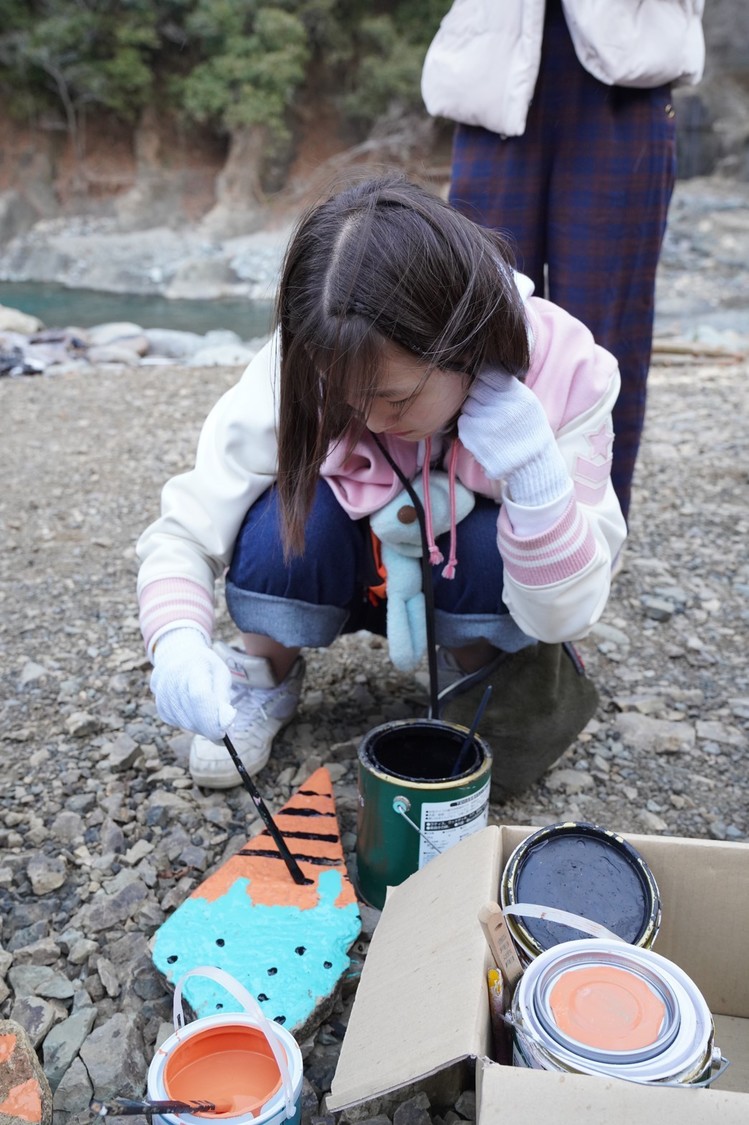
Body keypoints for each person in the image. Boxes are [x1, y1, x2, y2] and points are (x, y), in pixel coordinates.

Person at [136, 174, 626, 796]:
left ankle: (470, 663)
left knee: (486, 546)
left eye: (393, 397)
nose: (367, 420)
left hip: (459, 563)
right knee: (281, 519)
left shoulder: (569, 373)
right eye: (347, 399)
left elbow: (568, 614)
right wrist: (177, 643)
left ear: (467, 344)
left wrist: (533, 472)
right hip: (345, 545)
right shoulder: (302, 362)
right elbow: (190, 523)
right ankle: (263, 669)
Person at [421, 0, 705, 523]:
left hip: (628, 78)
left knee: (605, 331)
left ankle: (593, 520)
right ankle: (471, 519)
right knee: (473, 314)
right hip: (492, 77)